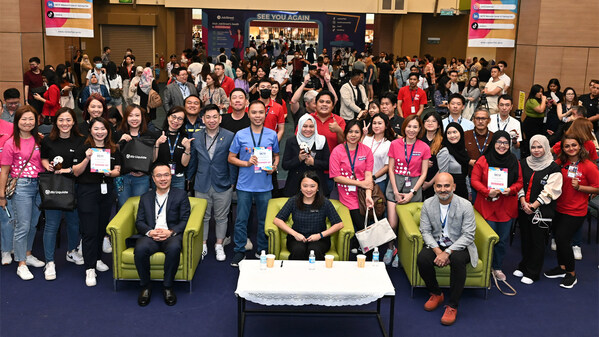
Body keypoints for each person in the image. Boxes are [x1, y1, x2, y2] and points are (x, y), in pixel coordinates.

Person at [417, 172, 477, 326]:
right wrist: (438, 251)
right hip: (438, 243)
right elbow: (425, 231)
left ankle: (452, 306)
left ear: (454, 187)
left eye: (446, 185)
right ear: (434, 187)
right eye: (439, 186)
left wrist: (448, 252)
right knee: (422, 258)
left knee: (457, 260)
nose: (443, 189)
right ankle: (436, 293)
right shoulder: (428, 204)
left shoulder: (465, 205)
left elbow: (468, 235)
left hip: (459, 244)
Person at [228, 100, 280, 267]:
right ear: (248, 114)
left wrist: (274, 166)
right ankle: (240, 250)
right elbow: (231, 157)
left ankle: (262, 249)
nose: (257, 116)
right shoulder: (240, 134)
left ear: (265, 114)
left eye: (260, 112)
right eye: (254, 112)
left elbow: (276, 155)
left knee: (264, 220)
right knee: (241, 219)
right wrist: (246, 163)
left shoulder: (272, 134)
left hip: (265, 185)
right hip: (244, 185)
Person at [543, 135, 599, 288]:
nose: (571, 148)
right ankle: (562, 268)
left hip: (576, 211)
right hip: (558, 207)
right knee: (558, 237)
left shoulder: (588, 166)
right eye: (567, 146)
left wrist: (580, 187)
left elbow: (597, 187)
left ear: (580, 146)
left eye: (574, 145)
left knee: (562, 239)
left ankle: (571, 273)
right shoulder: (561, 162)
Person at [73, 117, 121, 286]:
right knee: (89, 231)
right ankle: (89, 268)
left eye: (103, 128)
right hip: (87, 192)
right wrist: (86, 159)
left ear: (108, 130)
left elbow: (117, 170)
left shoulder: (113, 148)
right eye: (96, 129)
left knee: (101, 228)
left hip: (106, 192)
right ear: (90, 130)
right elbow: (76, 172)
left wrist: (111, 173)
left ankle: (98, 259)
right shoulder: (83, 147)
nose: (100, 132)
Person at [134, 163, 191, 306]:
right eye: (159, 175)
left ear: (171, 176)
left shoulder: (181, 195)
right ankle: (146, 286)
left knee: (174, 248)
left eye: (166, 175)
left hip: (171, 234)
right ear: (153, 178)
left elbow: (185, 219)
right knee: (140, 249)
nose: (163, 179)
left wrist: (170, 232)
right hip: (151, 235)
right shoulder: (145, 197)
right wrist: (150, 232)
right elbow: (139, 221)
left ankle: (168, 287)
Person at [0, 106, 45, 280]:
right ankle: (21, 263)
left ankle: (27, 253)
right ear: (17, 121)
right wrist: (2, 195)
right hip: (22, 187)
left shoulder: (39, 140)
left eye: (31, 119)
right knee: (22, 226)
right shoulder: (10, 143)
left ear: (36, 121)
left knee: (33, 223)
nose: (27, 122)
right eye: (24, 119)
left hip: (39, 185)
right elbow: (4, 171)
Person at [40, 107, 85, 280]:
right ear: (55, 122)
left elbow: (82, 164)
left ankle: (72, 251)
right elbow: (43, 157)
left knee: (74, 222)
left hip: (74, 186)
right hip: (53, 186)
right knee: (52, 224)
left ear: (74, 121)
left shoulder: (81, 140)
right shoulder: (47, 140)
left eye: (68, 120)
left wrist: (67, 170)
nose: (64, 123)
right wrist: (47, 166)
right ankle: (49, 262)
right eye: (61, 120)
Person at [471, 131, 523, 282]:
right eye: (499, 142)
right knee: (487, 238)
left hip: (506, 206)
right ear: (493, 143)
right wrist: (487, 191)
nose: (502, 146)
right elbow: (474, 180)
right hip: (487, 205)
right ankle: (483, 266)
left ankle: (497, 266)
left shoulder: (514, 160)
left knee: (502, 239)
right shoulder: (483, 160)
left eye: (505, 143)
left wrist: (511, 190)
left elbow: (519, 181)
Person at [188, 105, 235, 261]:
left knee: (222, 217)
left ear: (220, 118)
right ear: (203, 119)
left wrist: (232, 182)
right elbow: (193, 161)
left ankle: (219, 245)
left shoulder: (229, 136)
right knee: (203, 217)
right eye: (208, 117)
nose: (212, 120)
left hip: (223, 182)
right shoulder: (196, 137)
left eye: (215, 117)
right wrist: (189, 179)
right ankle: (203, 244)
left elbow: (232, 161)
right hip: (201, 183)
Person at [514, 135, 562, 285]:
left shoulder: (553, 167)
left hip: (542, 211)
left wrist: (533, 206)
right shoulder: (523, 163)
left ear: (546, 147)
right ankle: (524, 265)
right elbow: (519, 183)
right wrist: (523, 201)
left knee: (537, 241)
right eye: (533, 147)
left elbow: (551, 190)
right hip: (524, 207)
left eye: (539, 147)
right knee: (526, 238)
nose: (536, 150)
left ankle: (533, 272)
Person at [385, 115, 430, 265]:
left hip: (414, 187)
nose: (411, 130)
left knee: (407, 227)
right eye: (409, 126)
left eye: (415, 127)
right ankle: (391, 248)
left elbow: (424, 173)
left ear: (419, 129)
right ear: (404, 127)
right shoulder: (395, 144)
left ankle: (401, 253)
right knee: (393, 224)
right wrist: (396, 191)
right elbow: (390, 169)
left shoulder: (424, 147)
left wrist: (412, 194)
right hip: (395, 184)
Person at [273, 171, 344, 260]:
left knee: (314, 250)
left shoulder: (325, 202)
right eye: (305, 186)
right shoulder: (293, 201)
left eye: (312, 186)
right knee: (298, 250)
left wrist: (320, 235)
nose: (308, 190)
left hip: (320, 239)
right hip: (296, 237)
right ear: (300, 187)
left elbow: (339, 224)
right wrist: (295, 234)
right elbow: (277, 220)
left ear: (318, 187)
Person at [329, 120, 374, 253]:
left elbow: (368, 176)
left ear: (361, 134)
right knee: (355, 226)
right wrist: (360, 183)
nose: (353, 135)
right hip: (342, 194)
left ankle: (366, 254)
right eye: (350, 132)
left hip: (360, 195)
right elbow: (336, 177)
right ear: (345, 133)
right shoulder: (338, 151)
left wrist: (368, 196)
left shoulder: (366, 151)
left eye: (356, 132)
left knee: (362, 226)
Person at [116, 105, 159, 208]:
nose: (134, 118)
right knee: (123, 207)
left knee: (139, 207)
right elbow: (114, 156)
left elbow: (152, 159)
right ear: (126, 118)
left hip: (142, 178)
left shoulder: (149, 135)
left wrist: (157, 145)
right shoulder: (118, 133)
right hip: (122, 178)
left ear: (142, 117)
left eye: (137, 115)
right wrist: (119, 142)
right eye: (130, 115)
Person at [282, 114, 330, 197]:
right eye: (305, 126)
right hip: (295, 185)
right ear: (300, 126)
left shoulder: (321, 141)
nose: (308, 129)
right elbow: (285, 165)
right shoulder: (291, 141)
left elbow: (328, 164)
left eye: (311, 126)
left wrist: (314, 162)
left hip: (317, 185)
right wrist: (299, 159)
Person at [153, 106, 192, 190]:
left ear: (183, 122)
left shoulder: (184, 138)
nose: (175, 121)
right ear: (168, 117)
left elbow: (185, 164)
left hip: (178, 178)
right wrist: (157, 143)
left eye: (180, 118)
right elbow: (152, 159)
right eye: (173, 117)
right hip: (160, 177)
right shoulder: (157, 135)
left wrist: (187, 148)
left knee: (177, 202)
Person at [362, 113, 393, 195]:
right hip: (361, 179)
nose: (376, 126)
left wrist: (373, 177)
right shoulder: (366, 139)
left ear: (386, 126)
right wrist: (362, 135)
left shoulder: (389, 144)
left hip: (378, 181)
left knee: (378, 206)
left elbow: (387, 166)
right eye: (374, 123)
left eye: (380, 123)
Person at [437, 123, 470, 199]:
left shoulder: (463, 151)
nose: (452, 135)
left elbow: (465, 173)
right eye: (449, 133)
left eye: (455, 132)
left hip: (463, 190)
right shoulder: (445, 152)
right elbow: (443, 176)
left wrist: (469, 191)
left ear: (460, 133)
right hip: (450, 192)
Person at [421, 111, 443, 200]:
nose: (430, 123)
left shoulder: (443, 141)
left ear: (438, 125)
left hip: (436, 181)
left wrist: (430, 183)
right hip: (418, 180)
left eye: (433, 121)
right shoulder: (418, 139)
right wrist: (422, 163)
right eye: (427, 120)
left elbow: (443, 166)